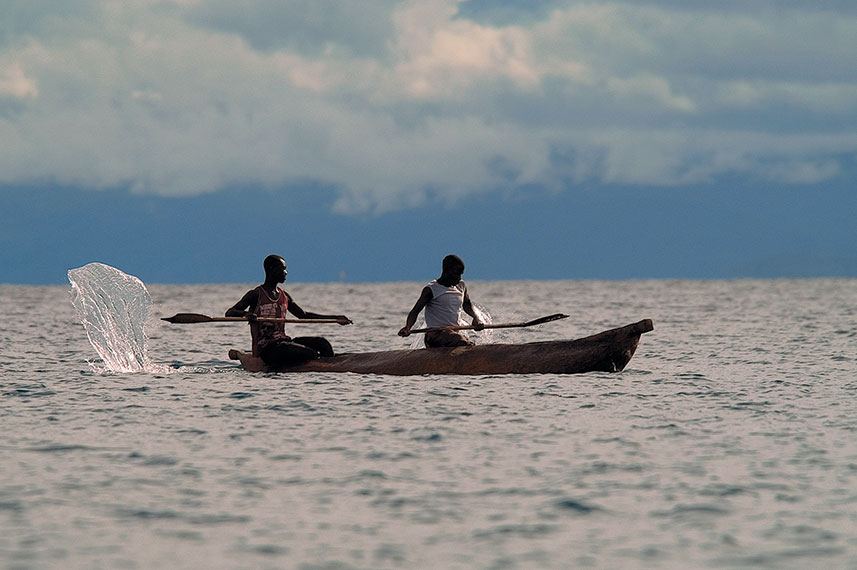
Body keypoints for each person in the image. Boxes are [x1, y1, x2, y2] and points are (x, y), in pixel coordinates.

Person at [226, 255, 352, 368]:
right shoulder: (256, 295)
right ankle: (313, 362)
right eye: (283, 269)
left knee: (323, 344)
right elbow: (230, 312)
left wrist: (336, 318)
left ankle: (328, 367)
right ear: (271, 269)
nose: (286, 273)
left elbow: (303, 315)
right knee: (310, 353)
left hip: (284, 342)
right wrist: (246, 314)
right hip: (267, 350)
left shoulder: (284, 295)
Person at [398, 254, 484, 347]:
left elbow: (467, 305)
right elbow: (415, 311)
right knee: (461, 341)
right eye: (456, 274)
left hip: (452, 334)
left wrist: (476, 318)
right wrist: (408, 327)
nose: (459, 277)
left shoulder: (461, 285)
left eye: (461, 274)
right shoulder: (431, 289)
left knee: (467, 342)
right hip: (434, 336)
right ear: (446, 272)